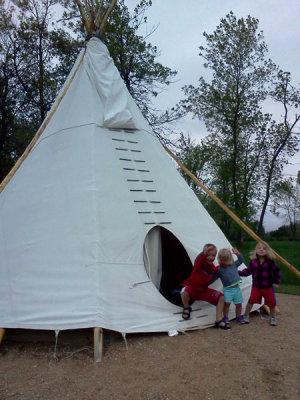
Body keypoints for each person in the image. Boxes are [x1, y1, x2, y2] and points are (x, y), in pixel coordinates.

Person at [180, 243, 230, 329]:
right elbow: (199, 259)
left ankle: (218, 320)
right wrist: (204, 253)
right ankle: (187, 307)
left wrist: (224, 265)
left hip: (203, 291)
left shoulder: (212, 268)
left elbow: (217, 270)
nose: (211, 257)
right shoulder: (199, 264)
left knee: (221, 297)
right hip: (193, 289)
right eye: (208, 255)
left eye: (213, 255)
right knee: (184, 292)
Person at [239, 241, 281, 326]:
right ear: (256, 250)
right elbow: (248, 271)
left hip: (267, 286)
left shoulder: (271, 262)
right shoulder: (253, 262)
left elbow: (277, 271)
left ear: (267, 251)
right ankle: (246, 315)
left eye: (264, 248)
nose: (261, 250)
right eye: (259, 248)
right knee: (251, 300)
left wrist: (276, 281)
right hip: (257, 286)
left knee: (271, 302)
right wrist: (239, 273)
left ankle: (273, 317)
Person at [215, 247, 245, 326]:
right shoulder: (220, 269)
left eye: (225, 260)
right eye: (221, 260)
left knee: (239, 304)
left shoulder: (233, 265)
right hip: (228, 289)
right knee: (227, 304)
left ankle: (238, 316)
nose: (223, 262)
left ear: (229, 259)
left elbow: (241, 260)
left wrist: (237, 253)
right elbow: (214, 277)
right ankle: (225, 317)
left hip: (237, 289)